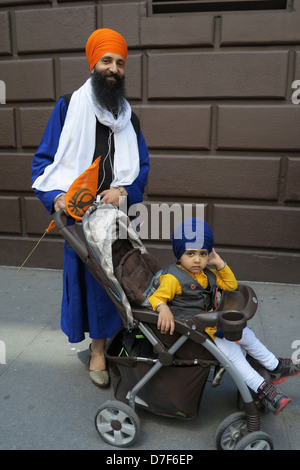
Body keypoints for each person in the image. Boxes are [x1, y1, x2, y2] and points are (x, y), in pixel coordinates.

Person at [31, 28, 150, 387]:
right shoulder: (68, 107)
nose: (113, 68)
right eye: (106, 61)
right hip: (80, 218)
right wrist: (57, 197)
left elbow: (142, 167)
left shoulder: (130, 118)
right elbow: (43, 163)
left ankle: (119, 338)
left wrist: (124, 191)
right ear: (93, 64)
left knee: (126, 277)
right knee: (95, 285)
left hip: (117, 216)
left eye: (119, 63)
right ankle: (98, 351)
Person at [148, 218, 300, 415]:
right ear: (179, 254)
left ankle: (275, 366)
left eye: (203, 254)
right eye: (190, 254)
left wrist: (219, 263)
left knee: (245, 333)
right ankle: (264, 390)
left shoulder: (206, 274)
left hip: (209, 325)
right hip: (192, 335)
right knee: (233, 352)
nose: (197, 260)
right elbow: (156, 297)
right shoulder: (172, 278)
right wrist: (163, 308)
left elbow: (231, 286)